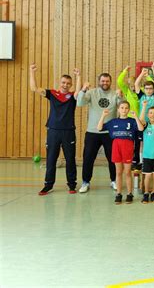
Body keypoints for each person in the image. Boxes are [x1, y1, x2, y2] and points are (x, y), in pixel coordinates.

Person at [29, 64, 81, 195]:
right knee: (51, 159)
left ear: (71, 85)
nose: (65, 85)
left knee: (70, 159)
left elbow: (79, 92)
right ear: (60, 82)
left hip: (68, 132)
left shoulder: (73, 96)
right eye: (63, 82)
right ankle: (48, 185)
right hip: (53, 131)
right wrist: (31, 72)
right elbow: (34, 88)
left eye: (68, 83)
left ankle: (72, 185)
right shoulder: (52, 93)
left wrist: (79, 76)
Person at [77, 72, 122, 193]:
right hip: (93, 131)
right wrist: (83, 90)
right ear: (99, 81)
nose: (105, 83)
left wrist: (121, 96)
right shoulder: (92, 92)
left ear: (110, 82)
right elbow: (80, 103)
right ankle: (86, 182)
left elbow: (123, 108)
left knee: (112, 158)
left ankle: (113, 180)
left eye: (107, 81)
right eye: (103, 81)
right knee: (88, 158)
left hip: (110, 132)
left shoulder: (114, 94)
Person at [97, 101, 144, 204]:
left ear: (128, 109)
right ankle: (118, 194)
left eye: (126, 108)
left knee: (127, 172)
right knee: (118, 172)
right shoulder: (113, 121)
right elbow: (99, 128)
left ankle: (129, 193)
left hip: (127, 146)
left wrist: (136, 117)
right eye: (122, 108)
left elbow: (141, 128)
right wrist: (103, 116)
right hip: (116, 146)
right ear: (118, 109)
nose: (124, 110)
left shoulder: (132, 121)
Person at [134, 66, 154, 179]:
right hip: (143, 123)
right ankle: (141, 161)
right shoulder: (141, 96)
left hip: (153, 123)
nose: (149, 90)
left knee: (153, 142)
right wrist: (142, 74)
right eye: (147, 88)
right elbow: (136, 84)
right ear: (144, 89)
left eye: (151, 88)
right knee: (140, 143)